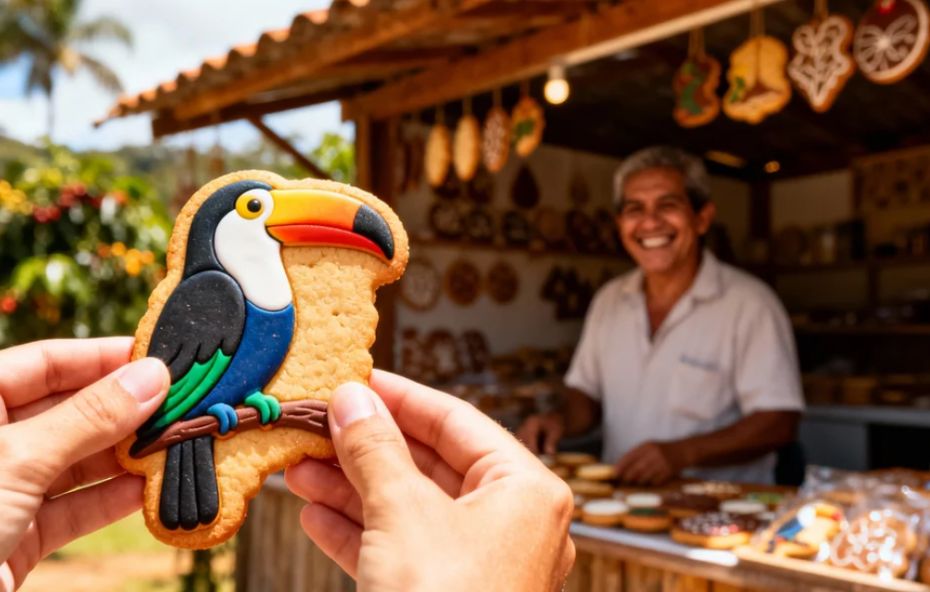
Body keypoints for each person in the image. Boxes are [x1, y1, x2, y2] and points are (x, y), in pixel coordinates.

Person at [0, 338, 574, 592]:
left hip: (238, 408)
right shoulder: (219, 288)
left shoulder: (278, 297)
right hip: (192, 418)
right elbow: (207, 366)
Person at [518, 146, 804, 485]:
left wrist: (681, 454)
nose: (650, 223)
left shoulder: (749, 304)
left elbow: (778, 422)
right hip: (621, 503)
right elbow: (586, 395)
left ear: (702, 218)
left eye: (667, 205)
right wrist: (558, 420)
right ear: (620, 224)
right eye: (634, 209)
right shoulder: (609, 301)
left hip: (721, 512)